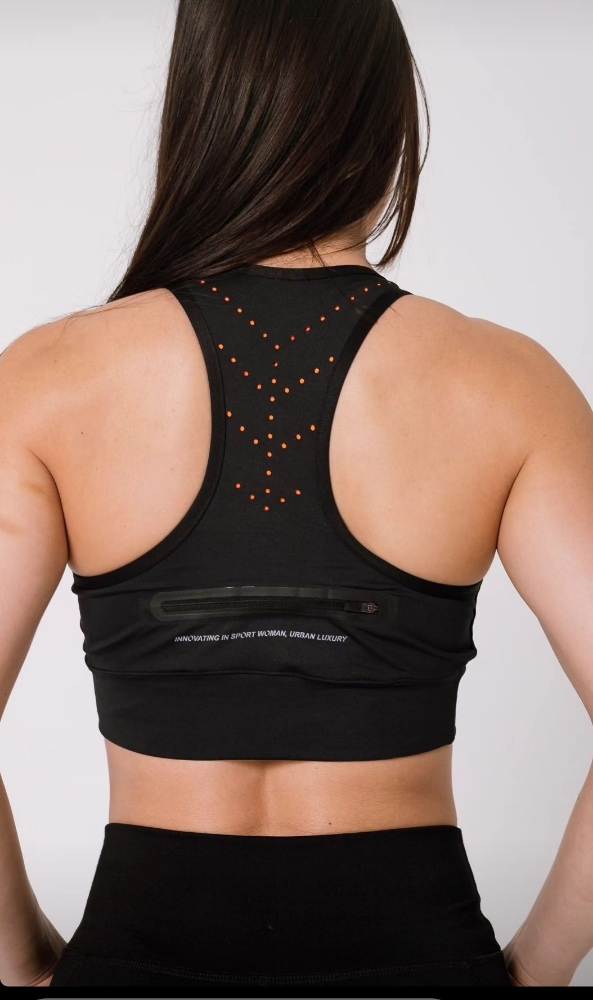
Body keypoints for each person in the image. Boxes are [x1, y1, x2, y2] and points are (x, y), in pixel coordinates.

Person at [1, 0, 592, 991]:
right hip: (421, 961)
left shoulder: (48, 379)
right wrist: (533, 972)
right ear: (387, 123)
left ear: (200, 114)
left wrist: (21, 962)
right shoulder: (506, 383)